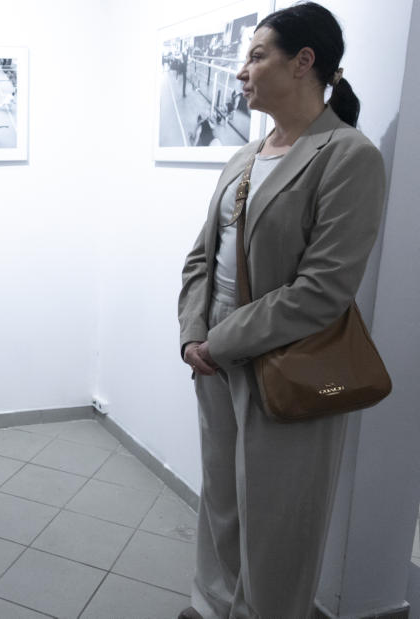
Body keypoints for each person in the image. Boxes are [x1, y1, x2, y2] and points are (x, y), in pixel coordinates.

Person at [177, 4, 386, 618]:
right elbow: (202, 256)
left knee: (278, 517)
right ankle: (215, 605)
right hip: (214, 352)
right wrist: (193, 333)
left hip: (287, 357)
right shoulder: (244, 156)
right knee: (221, 497)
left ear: (303, 63)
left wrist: (220, 342)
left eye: (256, 55)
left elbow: (322, 290)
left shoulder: (348, 156)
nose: (242, 71)